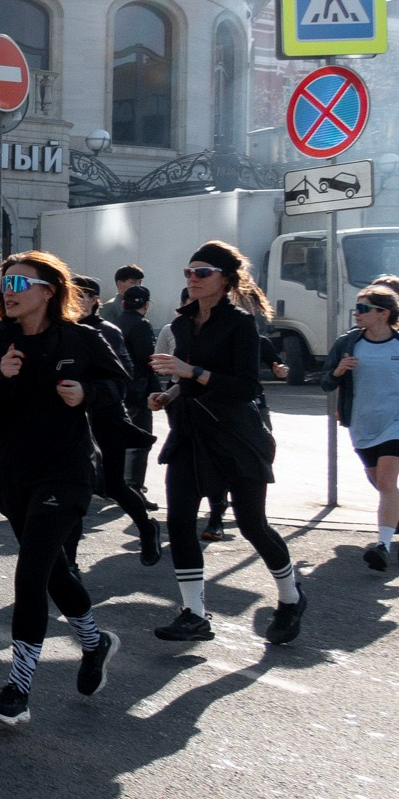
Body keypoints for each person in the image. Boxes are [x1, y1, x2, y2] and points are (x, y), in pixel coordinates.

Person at [0, 251, 128, 728]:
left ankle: (17, 690)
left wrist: (88, 395)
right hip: (16, 474)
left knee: (31, 574)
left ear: (48, 290)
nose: (8, 292)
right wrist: (3, 377)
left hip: (68, 470)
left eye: (19, 283)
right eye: (4, 283)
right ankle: (95, 643)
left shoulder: (81, 339)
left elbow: (121, 385)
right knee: (55, 573)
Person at [148, 241, 307, 645]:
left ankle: (290, 598)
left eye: (202, 272)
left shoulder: (239, 323)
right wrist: (167, 394)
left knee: (253, 525)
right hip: (190, 433)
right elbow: (186, 379)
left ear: (224, 279)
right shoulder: (181, 324)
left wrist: (193, 371)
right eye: (189, 272)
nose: (193, 279)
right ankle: (194, 613)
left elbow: (247, 387)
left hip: (236, 435)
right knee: (181, 520)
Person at [319, 286, 399, 570]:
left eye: (364, 308)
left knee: (387, 483)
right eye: (357, 307)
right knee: (381, 484)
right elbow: (326, 382)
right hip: (363, 423)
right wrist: (339, 370)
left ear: (384, 314)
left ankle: (382, 546)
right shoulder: (347, 344)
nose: (357, 313)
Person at [72, 276, 159, 564]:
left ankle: (147, 528)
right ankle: (69, 563)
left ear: (95, 299)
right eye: (71, 295)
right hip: (71, 421)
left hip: (106, 417)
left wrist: (89, 390)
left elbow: (124, 376)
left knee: (114, 485)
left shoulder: (106, 331)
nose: (77, 301)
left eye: (83, 296)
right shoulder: (60, 330)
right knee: (75, 488)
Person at [115, 285, 161, 499]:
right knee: (140, 438)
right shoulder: (142, 325)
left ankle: (119, 482)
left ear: (124, 303)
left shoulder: (116, 323)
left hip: (119, 386)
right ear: (146, 305)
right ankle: (133, 486)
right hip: (137, 388)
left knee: (120, 436)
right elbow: (148, 358)